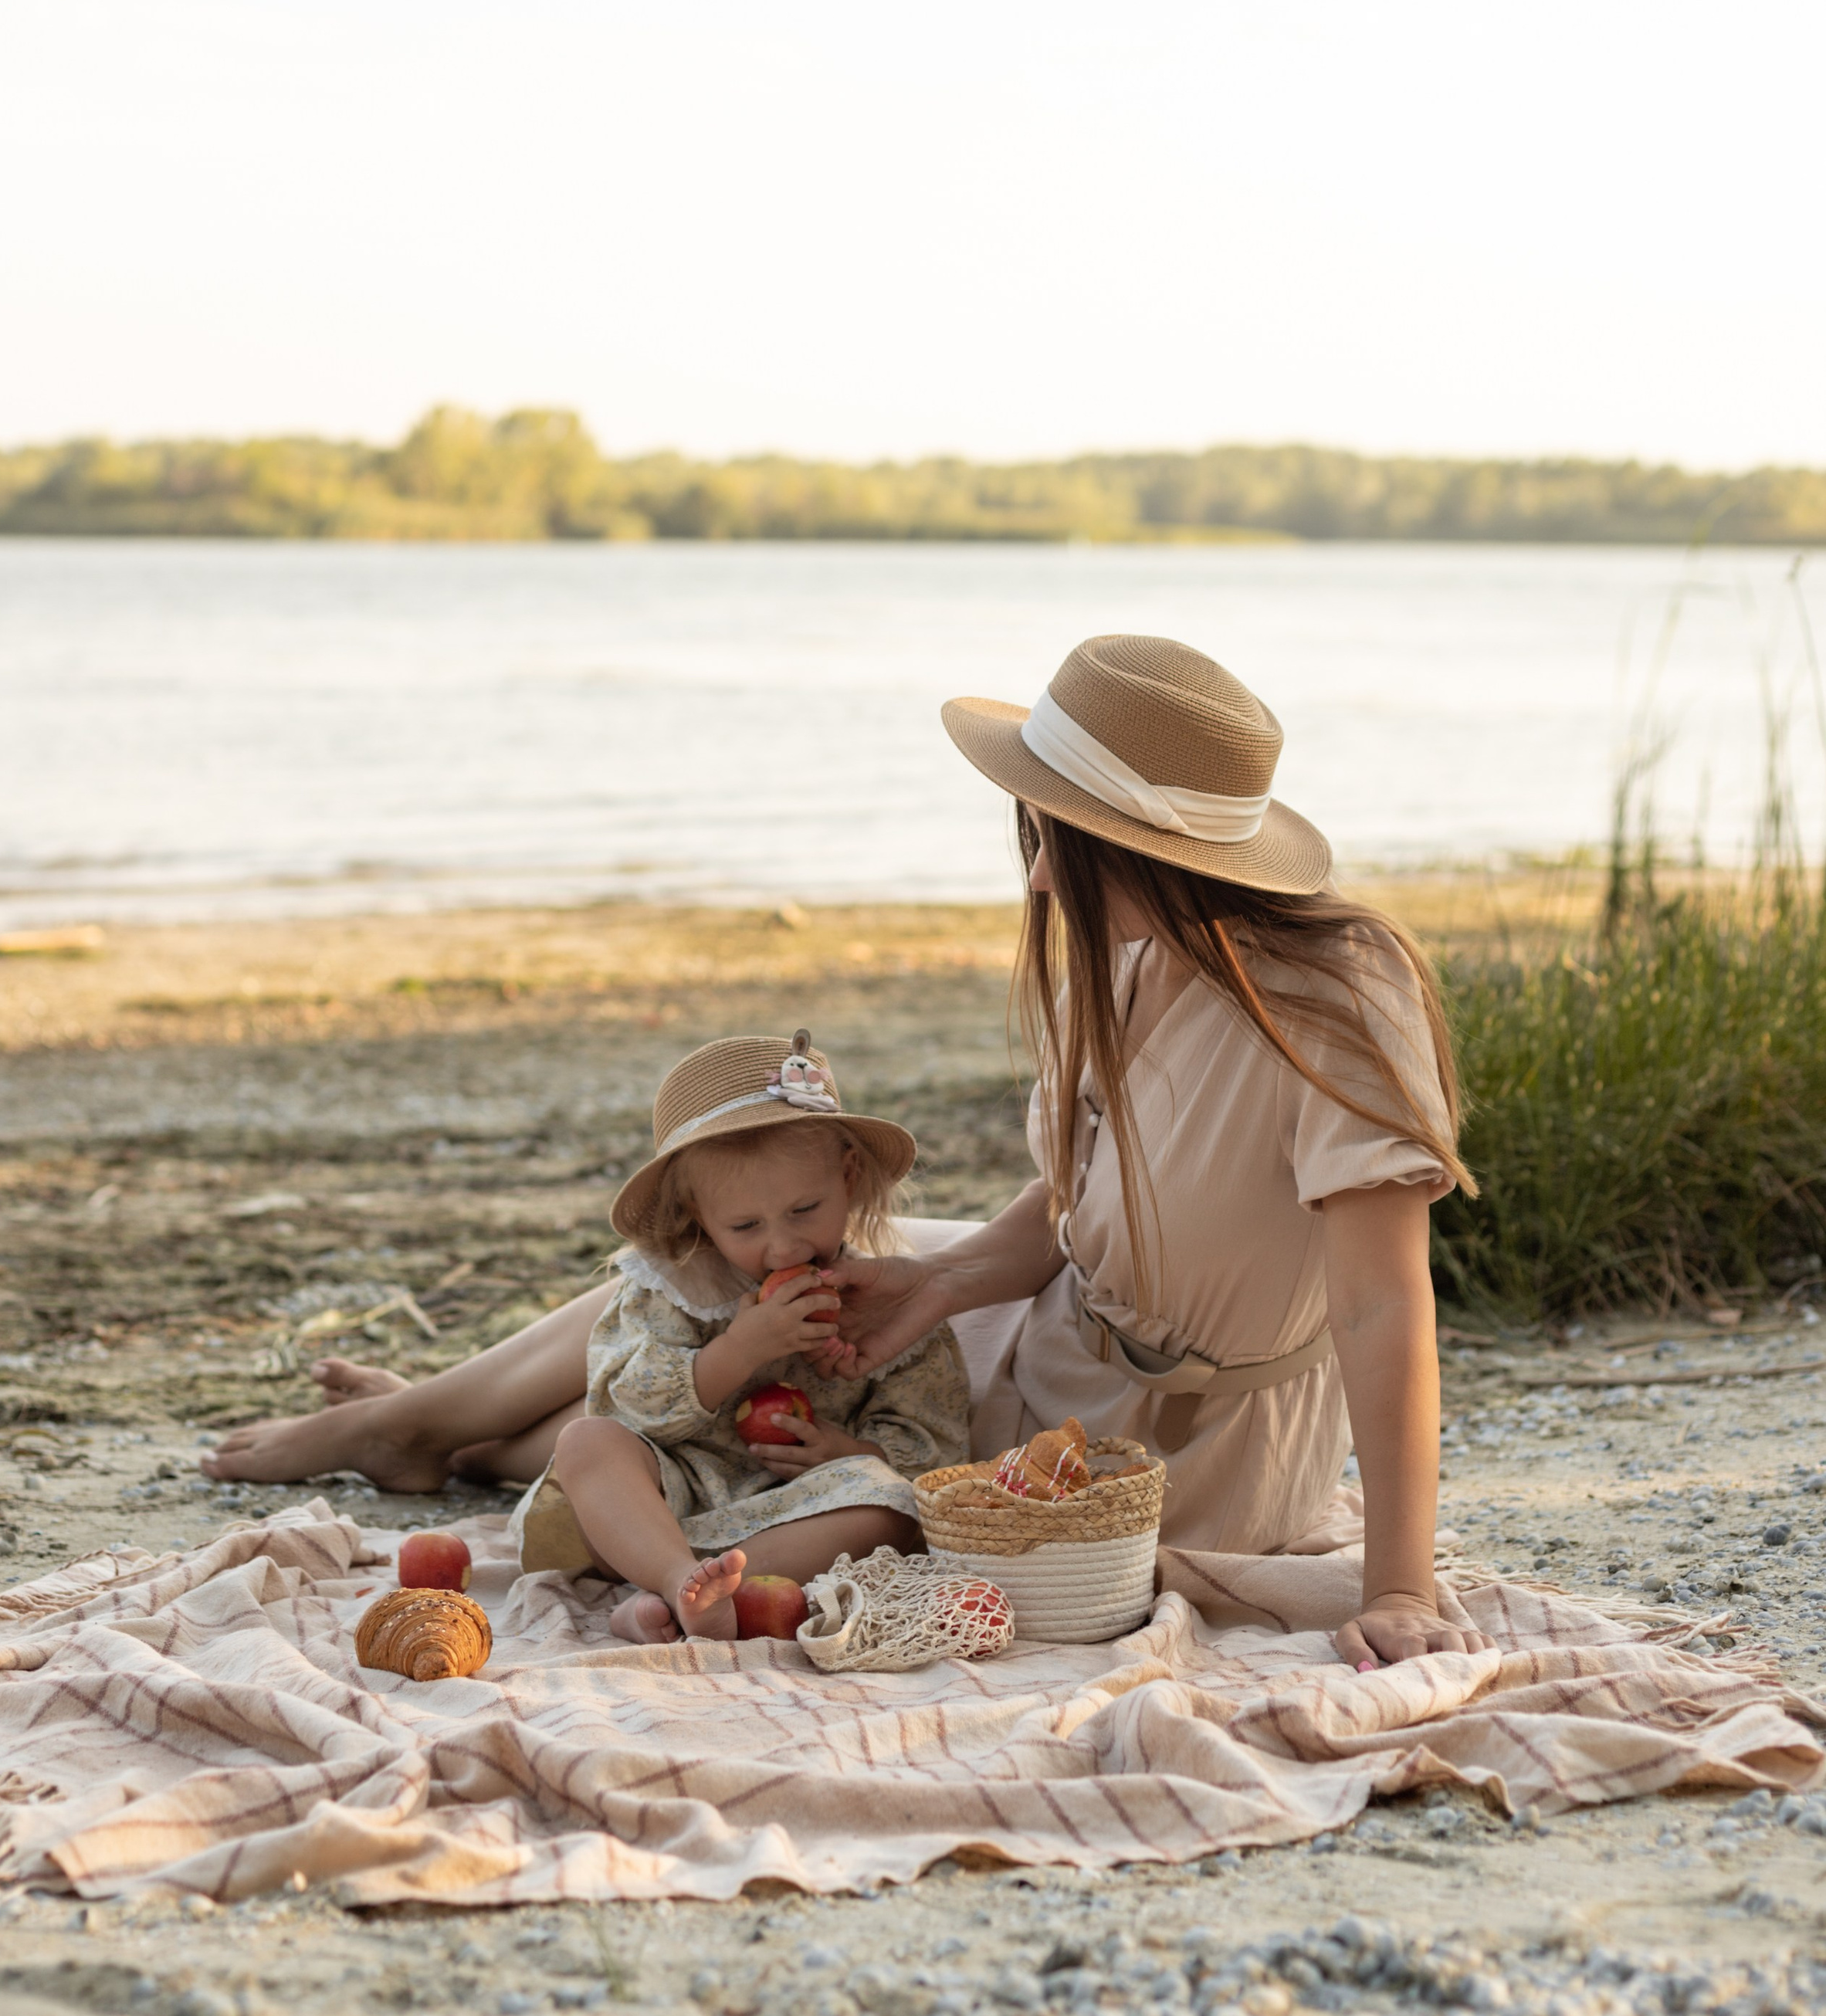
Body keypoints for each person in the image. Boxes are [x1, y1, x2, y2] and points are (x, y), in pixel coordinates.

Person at [205, 632, 1483, 1673]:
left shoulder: (1339, 997)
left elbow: (1383, 1305)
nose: (1040, 881)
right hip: (1058, 1323)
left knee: (773, 1401)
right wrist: (938, 1282)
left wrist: (1401, 1587)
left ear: (1151, 850)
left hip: (1170, 1437)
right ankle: (431, 1425)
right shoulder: (1139, 955)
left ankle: (438, 1435)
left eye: (1060, 843)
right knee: (719, 1283)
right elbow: (1081, 1198)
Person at [512, 1029, 969, 1642]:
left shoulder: (883, 1302)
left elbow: (935, 1443)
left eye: (805, 1210)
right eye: (746, 1226)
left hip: (802, 1513)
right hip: (663, 1503)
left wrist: (847, 1452)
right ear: (699, 1216)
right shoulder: (674, 1288)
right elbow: (624, 1404)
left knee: (891, 1503)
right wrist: (737, 1351)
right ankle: (676, 1579)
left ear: (849, 1175)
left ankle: (690, 1599)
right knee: (587, 1442)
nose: (783, 1247)